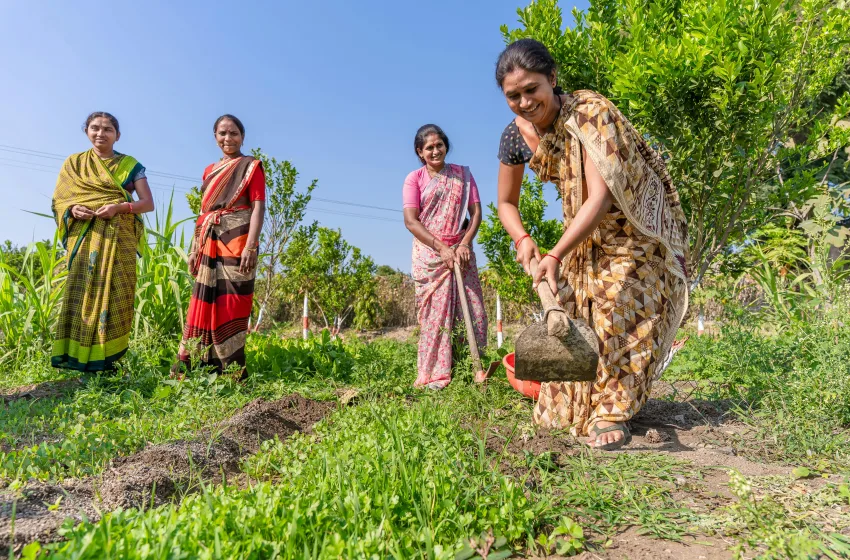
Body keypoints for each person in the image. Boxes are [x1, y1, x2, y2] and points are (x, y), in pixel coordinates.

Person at [495, 39, 689, 450]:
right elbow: (506, 202)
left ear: (552, 79)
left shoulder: (589, 114)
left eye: (532, 89)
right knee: (571, 312)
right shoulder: (514, 136)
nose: (525, 102)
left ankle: (611, 412)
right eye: (513, 96)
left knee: (619, 308)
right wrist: (523, 239)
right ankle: (578, 404)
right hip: (582, 232)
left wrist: (554, 254)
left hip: (630, 227)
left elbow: (599, 198)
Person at [51, 112, 154, 372]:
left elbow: (147, 203)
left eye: (108, 129)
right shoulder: (74, 164)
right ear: (86, 131)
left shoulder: (130, 165)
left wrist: (119, 208)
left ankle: (108, 361)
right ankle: (78, 358)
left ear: (117, 135)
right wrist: (73, 209)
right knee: (82, 292)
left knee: (117, 293)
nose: (101, 133)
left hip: (119, 239)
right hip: (86, 239)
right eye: (95, 128)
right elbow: (60, 201)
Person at [173, 114, 266, 378]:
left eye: (233, 133)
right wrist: (194, 249)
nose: (228, 138)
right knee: (204, 301)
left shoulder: (251, 167)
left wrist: (251, 246)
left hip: (238, 241)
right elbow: (203, 212)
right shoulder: (209, 170)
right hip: (208, 241)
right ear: (215, 137)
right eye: (222, 133)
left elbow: (258, 207)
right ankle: (199, 367)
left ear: (242, 137)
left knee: (233, 302)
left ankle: (232, 369)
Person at [403, 124, 488, 390]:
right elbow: (411, 221)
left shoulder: (463, 176)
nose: (435, 151)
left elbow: (476, 213)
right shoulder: (414, 179)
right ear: (420, 152)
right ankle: (435, 375)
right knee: (435, 316)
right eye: (429, 147)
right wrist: (441, 248)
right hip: (430, 254)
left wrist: (464, 243)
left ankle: (471, 367)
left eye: (439, 145)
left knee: (473, 311)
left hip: (461, 252)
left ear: (446, 146)